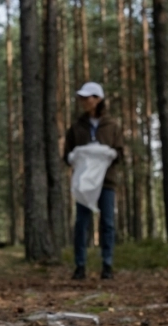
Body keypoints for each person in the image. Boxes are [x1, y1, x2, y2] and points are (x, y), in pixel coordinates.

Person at [64, 82, 125, 280]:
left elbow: (121, 154)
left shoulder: (112, 126)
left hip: (106, 182)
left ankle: (107, 265)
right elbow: (67, 154)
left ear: (97, 99)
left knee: (107, 223)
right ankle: (80, 266)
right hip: (83, 183)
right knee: (82, 223)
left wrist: (110, 154)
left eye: (87, 97)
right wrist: (73, 157)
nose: (83, 101)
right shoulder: (76, 127)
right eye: (81, 98)